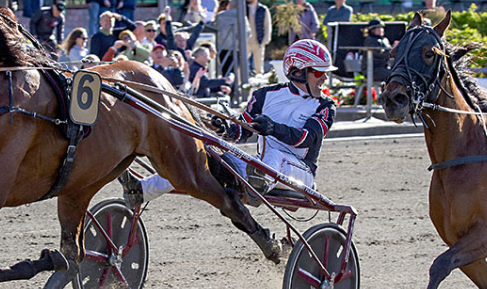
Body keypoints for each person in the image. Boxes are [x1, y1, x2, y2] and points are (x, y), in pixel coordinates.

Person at [119, 39, 337, 208]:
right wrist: (224, 128)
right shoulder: (265, 95)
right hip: (259, 169)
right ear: (298, 71)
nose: (324, 79)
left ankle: (255, 186)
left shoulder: (326, 106)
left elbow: (307, 139)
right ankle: (141, 190)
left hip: (300, 174)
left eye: (325, 73)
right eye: (319, 72)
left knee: (275, 157)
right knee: (199, 156)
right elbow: (240, 131)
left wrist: (273, 129)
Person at [206, 0, 251, 76]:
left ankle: (226, 85)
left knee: (224, 68)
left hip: (222, 46)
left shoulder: (220, 15)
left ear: (229, 5)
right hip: (237, 46)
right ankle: (233, 85)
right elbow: (247, 32)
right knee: (235, 70)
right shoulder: (241, 17)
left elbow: (214, 28)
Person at [245, 0, 272, 74]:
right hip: (246, 42)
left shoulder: (263, 9)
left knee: (259, 66)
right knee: (242, 64)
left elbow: (267, 25)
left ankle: (259, 83)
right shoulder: (244, 9)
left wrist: (265, 41)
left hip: (258, 41)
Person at [361, 19, 393, 84]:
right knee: (393, 76)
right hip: (373, 69)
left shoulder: (385, 40)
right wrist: (393, 50)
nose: (382, 30)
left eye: (382, 28)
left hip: (384, 67)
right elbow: (380, 54)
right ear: (372, 30)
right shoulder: (370, 40)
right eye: (379, 28)